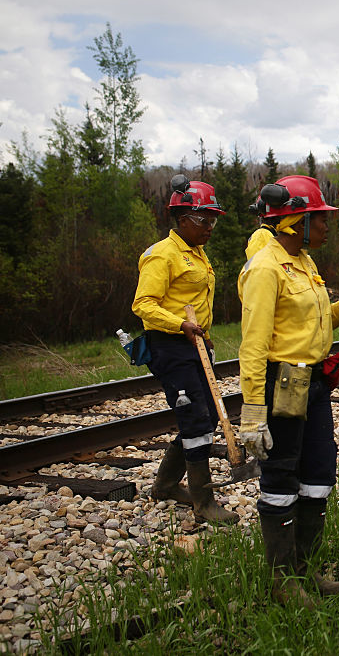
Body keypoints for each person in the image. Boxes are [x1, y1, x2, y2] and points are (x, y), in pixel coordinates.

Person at [237, 175, 339, 605]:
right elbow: (253, 343)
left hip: (314, 383)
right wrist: (252, 409)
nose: (326, 226)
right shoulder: (264, 268)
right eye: (319, 218)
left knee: (319, 473)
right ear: (293, 221)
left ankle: (305, 568)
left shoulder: (303, 262)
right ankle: (282, 580)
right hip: (280, 384)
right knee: (282, 475)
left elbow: (318, 324)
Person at [132, 175, 238, 524]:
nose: (210, 227)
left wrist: (201, 333)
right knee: (195, 419)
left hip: (195, 343)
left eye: (213, 221)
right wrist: (180, 324)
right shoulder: (162, 255)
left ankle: (164, 485)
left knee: (205, 416)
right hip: (171, 345)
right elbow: (143, 305)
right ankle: (203, 501)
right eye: (204, 220)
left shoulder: (197, 252)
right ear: (182, 220)